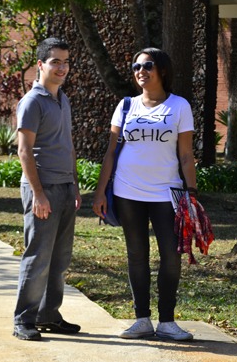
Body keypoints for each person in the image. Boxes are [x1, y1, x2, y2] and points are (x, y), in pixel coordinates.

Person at [92, 48, 196, 341]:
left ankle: (167, 322)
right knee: (136, 256)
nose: (141, 70)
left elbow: (186, 155)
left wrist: (192, 193)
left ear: (162, 69)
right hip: (127, 192)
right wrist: (100, 191)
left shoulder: (179, 106)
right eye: (136, 65)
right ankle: (141, 320)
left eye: (147, 65)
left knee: (171, 258)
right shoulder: (126, 106)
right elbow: (111, 152)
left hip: (167, 193)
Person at [13, 37, 82, 341]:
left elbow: (67, 146)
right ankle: (23, 319)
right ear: (40, 64)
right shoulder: (32, 101)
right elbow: (24, 151)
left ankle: (48, 315)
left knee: (59, 259)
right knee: (38, 257)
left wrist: (75, 186)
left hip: (65, 188)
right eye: (55, 61)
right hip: (43, 190)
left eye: (66, 61)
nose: (62, 67)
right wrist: (38, 194)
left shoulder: (62, 98)